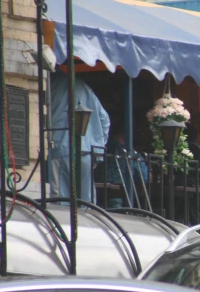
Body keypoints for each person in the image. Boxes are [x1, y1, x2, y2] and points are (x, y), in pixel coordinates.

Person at [49, 73, 110, 203]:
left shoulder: (53, 85)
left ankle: (64, 223)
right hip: (87, 151)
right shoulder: (84, 86)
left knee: (61, 198)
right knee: (85, 199)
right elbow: (105, 120)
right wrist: (98, 151)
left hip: (61, 147)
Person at [103, 120, 149, 209]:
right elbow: (144, 176)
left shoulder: (101, 147)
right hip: (117, 201)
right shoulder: (126, 152)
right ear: (123, 137)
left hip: (94, 197)